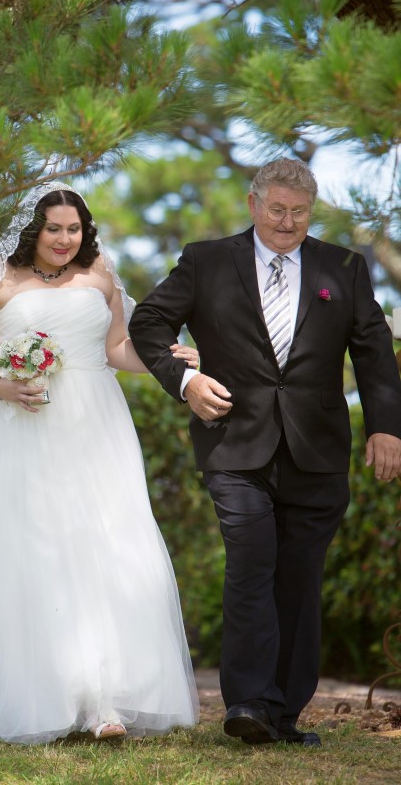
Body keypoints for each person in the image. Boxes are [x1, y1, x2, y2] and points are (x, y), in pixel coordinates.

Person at [0, 183, 200, 744]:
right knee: (30, 547)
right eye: (55, 229)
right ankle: (31, 692)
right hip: (22, 424)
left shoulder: (101, 275)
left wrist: (163, 359)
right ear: (34, 229)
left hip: (96, 422)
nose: (65, 240)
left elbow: (117, 347)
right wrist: (1, 386)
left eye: (74, 229)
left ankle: (103, 701)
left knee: (107, 542)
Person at [129, 157, 401, 748]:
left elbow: (375, 351)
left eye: (299, 213)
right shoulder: (205, 261)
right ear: (253, 204)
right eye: (276, 210)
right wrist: (186, 382)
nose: (287, 222)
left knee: (300, 579)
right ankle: (248, 702)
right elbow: (147, 322)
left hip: (319, 451)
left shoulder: (344, 268)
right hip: (233, 444)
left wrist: (387, 427)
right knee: (251, 564)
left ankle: (283, 713)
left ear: (312, 212)